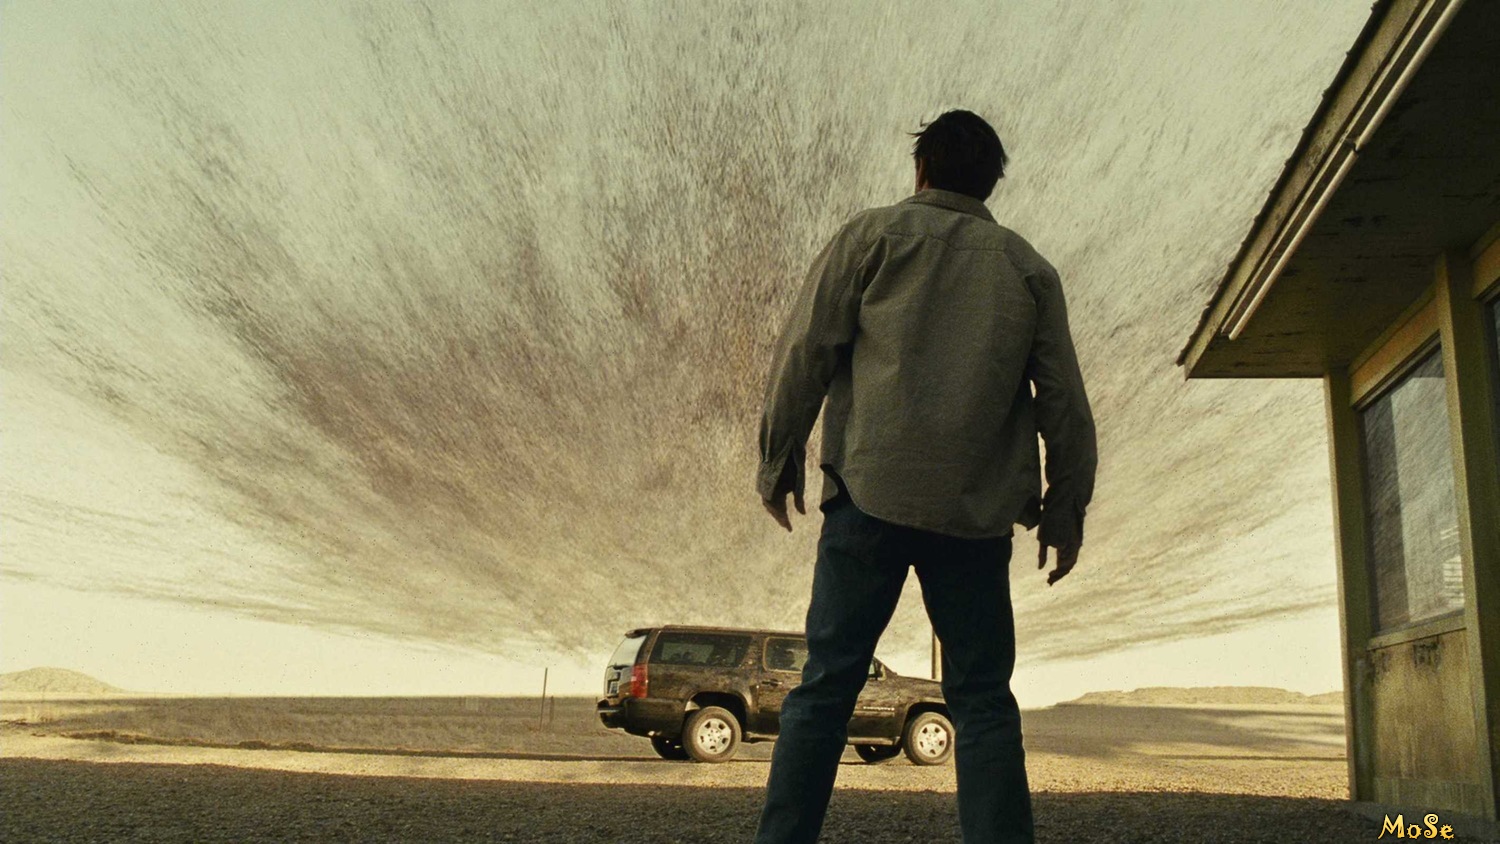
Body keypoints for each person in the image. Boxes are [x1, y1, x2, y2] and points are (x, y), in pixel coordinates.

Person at [752, 109, 1098, 844]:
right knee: (983, 701)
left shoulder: (872, 237)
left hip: (868, 497)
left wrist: (779, 456)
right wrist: (1066, 505)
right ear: (992, 182)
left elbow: (807, 349)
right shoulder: (1027, 269)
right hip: (974, 514)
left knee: (827, 687)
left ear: (921, 169)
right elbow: (1063, 399)